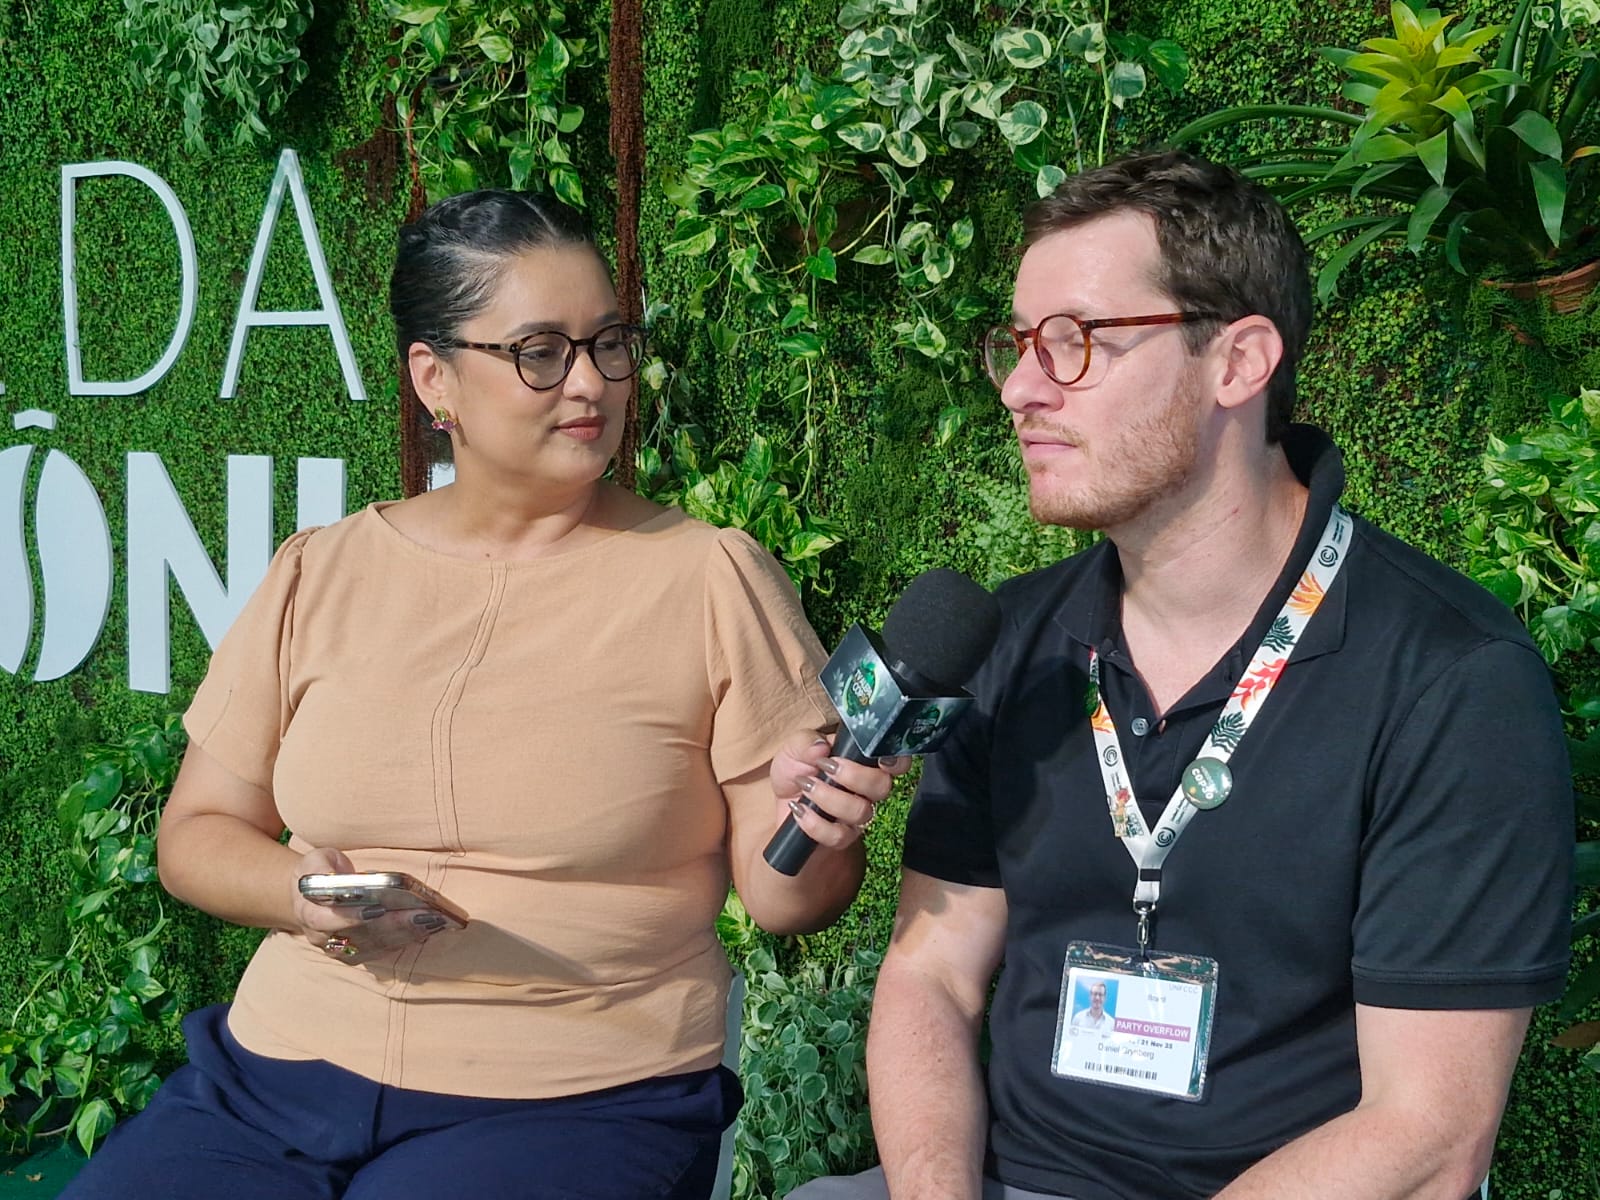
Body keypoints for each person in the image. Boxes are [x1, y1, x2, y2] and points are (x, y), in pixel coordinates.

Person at [62, 189, 903, 1200]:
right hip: (276, 1073)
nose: (590, 381)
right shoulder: (319, 570)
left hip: (578, 1099)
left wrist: (825, 831)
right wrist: (301, 895)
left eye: (608, 343)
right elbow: (196, 834)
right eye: (540, 352)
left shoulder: (710, 578)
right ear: (436, 378)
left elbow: (786, 901)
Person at [790, 149, 1572, 1200]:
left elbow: (1428, 1133)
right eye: (1017, 344)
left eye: (1075, 342)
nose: (1019, 389)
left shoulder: (1449, 680)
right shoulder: (1012, 642)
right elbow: (932, 972)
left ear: (1237, 362)